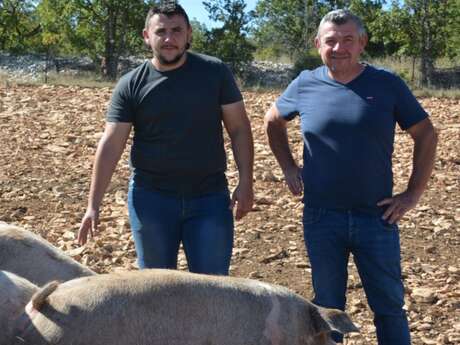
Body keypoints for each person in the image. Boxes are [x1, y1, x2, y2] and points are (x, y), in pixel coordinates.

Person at [264, 9, 437, 345]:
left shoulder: (387, 84)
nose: (338, 47)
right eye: (331, 40)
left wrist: (412, 194)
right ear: (318, 44)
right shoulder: (305, 83)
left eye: (347, 40)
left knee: (389, 306)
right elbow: (273, 121)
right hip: (321, 216)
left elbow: (427, 134)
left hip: (377, 216)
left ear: (362, 43)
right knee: (328, 309)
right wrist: (288, 167)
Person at [77, 3, 254, 276]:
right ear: (147, 35)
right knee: (156, 290)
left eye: (176, 31)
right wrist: (93, 205)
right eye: (161, 31)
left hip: (209, 198)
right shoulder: (131, 84)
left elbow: (239, 128)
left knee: (212, 288)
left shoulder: (214, 72)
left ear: (189, 34)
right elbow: (112, 143)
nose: (169, 39)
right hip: (151, 200)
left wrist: (246, 182)